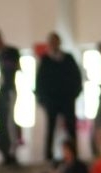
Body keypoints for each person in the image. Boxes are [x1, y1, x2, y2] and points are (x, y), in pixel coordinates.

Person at [34, 33, 83, 164]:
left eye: (56, 41)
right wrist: (43, 100)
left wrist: (74, 94)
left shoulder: (68, 59)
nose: (54, 44)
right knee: (50, 128)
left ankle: (74, 154)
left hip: (67, 100)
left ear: (59, 42)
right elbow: (39, 83)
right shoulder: (45, 60)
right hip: (51, 102)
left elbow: (77, 78)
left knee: (71, 127)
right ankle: (48, 155)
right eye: (51, 42)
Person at [0, 27, 22, 159]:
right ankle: (5, 150)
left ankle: (12, 150)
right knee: (3, 122)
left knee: (9, 121)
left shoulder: (11, 52)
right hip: (2, 92)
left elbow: (14, 69)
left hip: (9, 90)